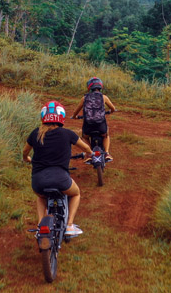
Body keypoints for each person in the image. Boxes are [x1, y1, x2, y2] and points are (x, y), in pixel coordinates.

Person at [22, 100, 92, 236]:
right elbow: (86, 147)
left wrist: (27, 159)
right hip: (61, 179)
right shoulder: (68, 133)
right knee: (76, 193)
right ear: (61, 117)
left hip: (38, 181)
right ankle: (70, 225)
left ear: (43, 116)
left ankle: (40, 226)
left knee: (41, 197)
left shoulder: (35, 133)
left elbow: (25, 152)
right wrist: (88, 153)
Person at [71, 77, 117, 161]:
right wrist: (110, 111)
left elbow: (76, 111)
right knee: (106, 135)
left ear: (89, 87)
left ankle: (89, 154)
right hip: (100, 125)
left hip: (88, 125)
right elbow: (113, 108)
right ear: (100, 86)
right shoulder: (104, 97)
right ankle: (107, 153)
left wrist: (74, 117)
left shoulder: (84, 98)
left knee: (85, 137)